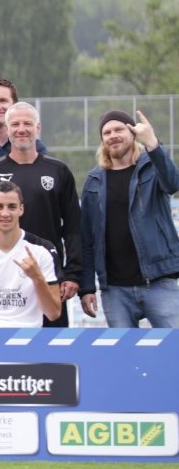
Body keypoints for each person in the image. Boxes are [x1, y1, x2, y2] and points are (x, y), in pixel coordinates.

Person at [0, 102, 81, 326]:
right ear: (6, 129)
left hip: (49, 274)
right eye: (15, 124)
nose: (21, 129)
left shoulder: (58, 171)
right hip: (5, 276)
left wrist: (72, 273)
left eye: (27, 123)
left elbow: (74, 226)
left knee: (51, 343)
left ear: (38, 128)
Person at [79, 110, 179, 328]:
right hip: (115, 290)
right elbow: (86, 239)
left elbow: (173, 183)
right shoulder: (93, 181)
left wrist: (153, 143)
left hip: (158, 282)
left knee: (175, 352)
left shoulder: (152, 167)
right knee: (123, 358)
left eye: (119, 129)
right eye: (107, 132)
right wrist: (87, 287)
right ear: (102, 140)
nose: (113, 135)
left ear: (132, 133)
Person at [0, 180, 61, 327]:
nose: (5, 213)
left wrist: (37, 277)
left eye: (11, 207)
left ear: (21, 209)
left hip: (27, 337)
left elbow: (53, 313)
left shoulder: (42, 250)